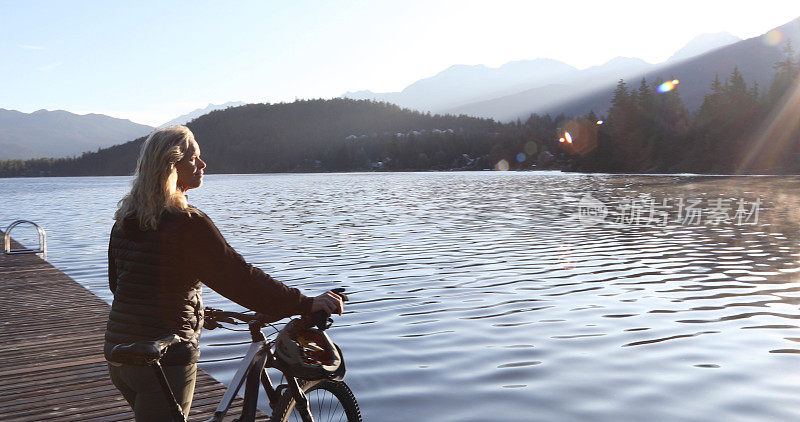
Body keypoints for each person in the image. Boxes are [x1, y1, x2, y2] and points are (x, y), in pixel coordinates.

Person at [104, 126, 343, 421]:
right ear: (171, 166)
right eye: (194, 158)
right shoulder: (188, 224)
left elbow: (122, 286)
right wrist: (304, 303)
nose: (203, 165)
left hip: (119, 354)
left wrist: (198, 309)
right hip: (165, 358)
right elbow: (241, 279)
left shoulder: (125, 221)